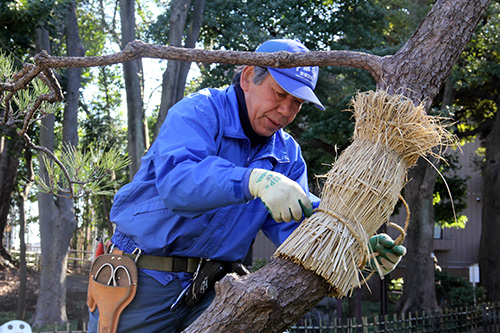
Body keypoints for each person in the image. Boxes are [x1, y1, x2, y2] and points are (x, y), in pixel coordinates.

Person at [88, 39, 405, 332]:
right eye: (280, 94)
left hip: (218, 293)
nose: (286, 111)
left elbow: (296, 233)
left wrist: (353, 250)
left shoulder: (288, 156)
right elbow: (177, 183)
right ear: (248, 76)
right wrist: (251, 180)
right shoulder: (199, 111)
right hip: (140, 284)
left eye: (297, 103)